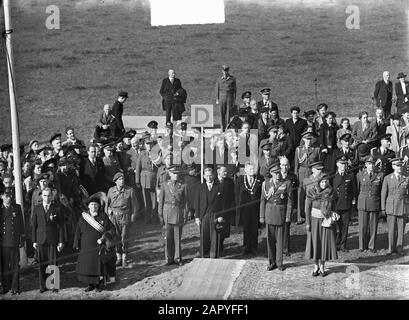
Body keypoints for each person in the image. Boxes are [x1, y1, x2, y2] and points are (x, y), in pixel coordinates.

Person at [74, 196, 117, 292]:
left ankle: (98, 285)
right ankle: (90, 285)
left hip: (99, 247)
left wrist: (105, 237)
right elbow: (78, 231)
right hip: (86, 247)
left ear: (98, 206)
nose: (94, 207)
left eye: (96, 205)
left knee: (99, 267)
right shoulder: (83, 217)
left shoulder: (103, 216)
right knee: (88, 267)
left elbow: (112, 229)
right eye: (92, 205)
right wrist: (76, 244)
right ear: (88, 207)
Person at [259, 161, 292, 271]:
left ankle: (279, 263)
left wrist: (288, 216)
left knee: (280, 241)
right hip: (269, 213)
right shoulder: (266, 184)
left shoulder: (286, 183)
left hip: (280, 214)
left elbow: (290, 202)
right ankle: (271, 262)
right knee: (270, 240)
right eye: (276, 173)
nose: (278, 174)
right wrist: (262, 216)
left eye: (279, 172)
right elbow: (262, 201)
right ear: (271, 173)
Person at [31, 187, 64, 293]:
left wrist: (61, 241)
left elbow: (61, 226)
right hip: (40, 240)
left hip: (53, 240)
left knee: (53, 263)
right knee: (42, 264)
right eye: (44, 195)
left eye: (49, 195)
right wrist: (34, 240)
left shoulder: (57, 208)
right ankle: (43, 285)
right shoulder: (37, 208)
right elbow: (34, 225)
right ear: (41, 196)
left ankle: (54, 285)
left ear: (52, 196)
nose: (46, 197)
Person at [305, 174, 338, 277]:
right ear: (318, 183)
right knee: (315, 244)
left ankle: (322, 266)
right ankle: (315, 266)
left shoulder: (331, 194)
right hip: (314, 222)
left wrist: (333, 216)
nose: (323, 184)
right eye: (322, 182)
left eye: (325, 182)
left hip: (325, 222)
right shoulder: (312, 193)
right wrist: (308, 223)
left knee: (324, 244)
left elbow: (334, 208)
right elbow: (307, 209)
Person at [107, 172, 139, 267]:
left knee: (124, 237)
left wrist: (132, 217)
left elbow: (136, 206)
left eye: (123, 179)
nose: (122, 181)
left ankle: (125, 257)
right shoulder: (111, 191)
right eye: (120, 179)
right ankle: (118, 257)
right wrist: (108, 215)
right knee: (116, 237)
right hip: (114, 217)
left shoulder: (130, 190)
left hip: (125, 216)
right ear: (115, 181)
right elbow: (107, 205)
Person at [158, 165, 188, 266]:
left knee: (177, 237)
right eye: (174, 173)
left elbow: (186, 202)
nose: (176, 175)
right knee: (168, 237)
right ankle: (169, 258)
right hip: (167, 212)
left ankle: (177, 258)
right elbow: (161, 201)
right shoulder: (164, 185)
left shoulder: (183, 185)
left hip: (178, 212)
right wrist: (160, 214)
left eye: (177, 173)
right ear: (170, 174)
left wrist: (185, 214)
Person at [194, 167, 224, 258]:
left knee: (214, 235)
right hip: (204, 215)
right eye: (207, 176)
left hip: (215, 215)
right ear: (204, 176)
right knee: (204, 235)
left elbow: (222, 203)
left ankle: (213, 254)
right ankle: (205, 254)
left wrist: (221, 216)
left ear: (214, 175)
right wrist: (197, 217)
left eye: (210, 176)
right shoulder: (200, 187)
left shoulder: (218, 187)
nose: (209, 178)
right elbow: (197, 203)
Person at [381, 157, 409, 255]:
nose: (400, 167)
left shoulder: (406, 178)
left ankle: (399, 248)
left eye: (401, 165)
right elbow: (383, 194)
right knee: (391, 229)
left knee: (401, 229)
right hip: (391, 207)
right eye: (397, 165)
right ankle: (391, 249)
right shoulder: (387, 178)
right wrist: (383, 208)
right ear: (393, 166)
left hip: (402, 206)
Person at [0, 189, 25, 295]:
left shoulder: (17, 207)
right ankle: (5, 286)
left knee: (15, 266)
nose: (9, 198)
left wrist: (22, 238)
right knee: (5, 266)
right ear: (1, 196)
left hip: (14, 241)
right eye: (6, 196)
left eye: (10, 195)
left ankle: (15, 287)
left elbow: (21, 224)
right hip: (3, 242)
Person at [356, 156, 383, 252]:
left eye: (372, 164)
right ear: (365, 165)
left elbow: (381, 191)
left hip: (374, 202)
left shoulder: (380, 175)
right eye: (368, 164)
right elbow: (357, 190)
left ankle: (372, 246)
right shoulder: (359, 175)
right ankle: (362, 246)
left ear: (374, 164)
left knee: (373, 226)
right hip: (363, 203)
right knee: (362, 226)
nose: (370, 166)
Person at [235, 162, 261, 255]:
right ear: (245, 170)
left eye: (252, 169)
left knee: (254, 227)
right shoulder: (240, 180)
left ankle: (254, 247)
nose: (252, 171)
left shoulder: (259, 179)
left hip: (255, 208)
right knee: (246, 227)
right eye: (249, 169)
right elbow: (236, 194)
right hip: (245, 208)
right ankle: (246, 247)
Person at [294, 131, 320, 224]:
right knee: (301, 193)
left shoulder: (316, 149)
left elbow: (318, 163)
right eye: (306, 139)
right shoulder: (299, 150)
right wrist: (296, 176)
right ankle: (300, 216)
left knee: (312, 192)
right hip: (302, 171)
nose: (308, 141)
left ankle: (311, 213)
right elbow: (296, 164)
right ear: (303, 139)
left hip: (311, 172)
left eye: (310, 139)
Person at [332, 155, 356, 252]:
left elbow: (353, 191)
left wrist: (353, 204)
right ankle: (335, 244)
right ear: (337, 164)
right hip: (336, 205)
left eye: (345, 164)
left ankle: (343, 245)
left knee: (345, 226)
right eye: (341, 164)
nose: (343, 166)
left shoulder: (350, 176)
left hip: (346, 205)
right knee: (336, 226)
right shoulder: (333, 176)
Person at [135, 138, 160, 224]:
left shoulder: (156, 153)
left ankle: (154, 217)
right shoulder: (142, 154)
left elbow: (159, 166)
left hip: (154, 178)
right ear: (145, 145)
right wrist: (137, 181)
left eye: (150, 144)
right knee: (146, 200)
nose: (149, 146)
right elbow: (138, 168)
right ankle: (147, 218)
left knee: (154, 200)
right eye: (147, 144)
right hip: (144, 179)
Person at [279, 157, 297, 256]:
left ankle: (285, 249)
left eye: (286, 165)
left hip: (287, 204)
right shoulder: (276, 176)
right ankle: (277, 247)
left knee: (286, 227)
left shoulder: (293, 177)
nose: (284, 167)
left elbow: (292, 195)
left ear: (289, 166)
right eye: (282, 165)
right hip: (278, 205)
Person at [214, 65, 237, 131]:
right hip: (221, 97)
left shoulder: (232, 79)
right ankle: (222, 127)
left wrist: (234, 100)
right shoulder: (219, 79)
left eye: (226, 70)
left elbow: (235, 90)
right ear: (222, 71)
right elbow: (217, 89)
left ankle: (228, 127)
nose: (225, 72)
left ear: (228, 71)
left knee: (228, 113)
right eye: (224, 71)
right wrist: (217, 99)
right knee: (222, 113)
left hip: (229, 97)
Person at [319, 111, 338, 175]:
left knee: (332, 167)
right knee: (325, 167)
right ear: (326, 118)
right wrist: (323, 147)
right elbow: (321, 138)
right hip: (325, 150)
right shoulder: (323, 126)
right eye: (329, 118)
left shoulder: (335, 127)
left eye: (332, 118)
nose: (331, 119)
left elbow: (336, 139)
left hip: (332, 150)